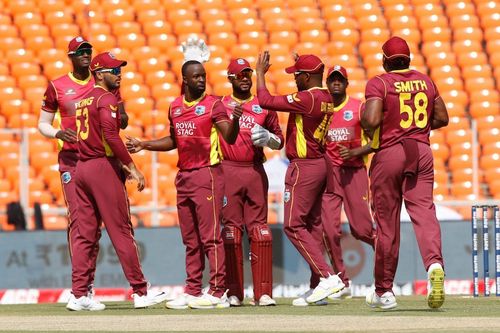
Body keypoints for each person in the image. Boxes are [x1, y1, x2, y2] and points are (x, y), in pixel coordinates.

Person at [126, 60, 242, 310]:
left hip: (207, 175)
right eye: (196, 77)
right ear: (185, 80)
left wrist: (236, 122)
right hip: (185, 177)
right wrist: (144, 144)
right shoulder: (176, 107)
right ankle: (192, 289)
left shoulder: (214, 105)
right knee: (190, 239)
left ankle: (218, 291)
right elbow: (173, 140)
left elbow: (229, 137)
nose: (201, 80)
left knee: (211, 236)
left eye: (203, 76)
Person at [67, 52, 168, 311]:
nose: (119, 74)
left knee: (85, 234)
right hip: (102, 167)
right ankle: (141, 292)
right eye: (114, 70)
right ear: (99, 73)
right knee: (121, 230)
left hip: (82, 167)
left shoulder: (83, 98)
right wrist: (132, 168)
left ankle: (79, 295)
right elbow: (112, 136)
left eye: (120, 69)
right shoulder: (105, 97)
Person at [38, 37, 129, 299]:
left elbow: (121, 118)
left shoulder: (104, 80)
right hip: (72, 160)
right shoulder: (57, 86)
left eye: (88, 50)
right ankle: (82, 289)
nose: (86, 55)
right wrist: (57, 133)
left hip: (102, 159)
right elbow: (42, 123)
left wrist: (121, 117)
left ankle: (130, 288)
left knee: (114, 222)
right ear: (70, 56)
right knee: (81, 223)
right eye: (80, 52)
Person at [361, 36, 449, 309]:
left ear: (385, 61)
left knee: (387, 225)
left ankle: (384, 291)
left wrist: (366, 115)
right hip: (421, 151)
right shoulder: (426, 80)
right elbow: (442, 118)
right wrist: (416, 130)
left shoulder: (379, 82)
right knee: (424, 211)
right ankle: (434, 263)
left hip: (390, 152)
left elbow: (373, 120)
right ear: (409, 59)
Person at [255, 52, 344, 304]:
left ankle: (327, 278)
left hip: (304, 167)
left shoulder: (308, 98)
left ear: (306, 76)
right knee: (312, 226)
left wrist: (260, 72)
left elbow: (264, 100)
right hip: (321, 165)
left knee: (293, 225)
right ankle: (319, 287)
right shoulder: (326, 96)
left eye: (297, 75)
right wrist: (303, 63)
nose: (294, 79)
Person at [219, 58, 284, 307]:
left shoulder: (263, 105)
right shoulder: (220, 104)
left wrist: (269, 139)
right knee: (231, 233)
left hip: (255, 170)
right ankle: (234, 292)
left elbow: (280, 140)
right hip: (228, 170)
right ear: (231, 78)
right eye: (240, 75)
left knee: (260, 231)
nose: (245, 78)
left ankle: (264, 293)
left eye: (248, 74)